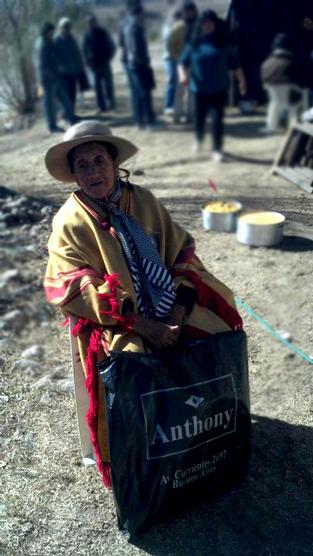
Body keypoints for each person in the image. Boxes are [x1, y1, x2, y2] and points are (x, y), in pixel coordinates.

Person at [44, 120, 243, 484]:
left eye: (99, 160)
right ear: (73, 174)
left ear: (115, 161)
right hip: (118, 320)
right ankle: (146, 464)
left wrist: (179, 310)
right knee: (132, 367)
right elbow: (68, 283)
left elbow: (182, 250)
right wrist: (142, 325)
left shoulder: (144, 201)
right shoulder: (69, 222)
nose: (93, 172)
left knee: (217, 330)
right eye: (82, 165)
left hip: (170, 307)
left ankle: (205, 435)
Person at [178, 10, 246, 161]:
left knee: (217, 120)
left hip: (219, 88)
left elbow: (235, 64)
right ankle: (198, 139)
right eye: (204, 22)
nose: (207, 25)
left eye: (210, 22)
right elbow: (182, 63)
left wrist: (242, 81)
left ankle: (217, 149)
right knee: (199, 118)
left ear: (215, 24)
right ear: (200, 24)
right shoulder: (194, 43)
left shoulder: (223, 43)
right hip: (199, 89)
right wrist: (183, 76)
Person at [34, 22, 77, 133]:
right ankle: (52, 127)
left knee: (65, 100)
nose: (53, 33)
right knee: (49, 106)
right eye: (51, 31)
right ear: (46, 31)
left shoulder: (49, 41)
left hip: (55, 78)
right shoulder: (42, 44)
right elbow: (41, 65)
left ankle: (70, 118)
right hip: (47, 80)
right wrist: (47, 78)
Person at [121, 5, 156, 129]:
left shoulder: (128, 26)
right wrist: (144, 62)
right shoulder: (135, 28)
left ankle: (139, 120)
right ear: (138, 14)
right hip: (139, 65)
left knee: (137, 94)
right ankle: (148, 122)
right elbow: (135, 49)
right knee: (143, 94)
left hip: (134, 65)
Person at [261, 33, 303, 134]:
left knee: (274, 104)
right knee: (293, 104)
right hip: (286, 83)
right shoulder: (289, 58)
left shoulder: (271, 56)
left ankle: (271, 126)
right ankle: (293, 125)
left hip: (269, 81)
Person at [83, 15, 116, 113]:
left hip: (105, 63)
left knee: (108, 86)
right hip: (94, 66)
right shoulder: (87, 35)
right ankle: (102, 107)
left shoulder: (103, 32)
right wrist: (88, 62)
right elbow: (84, 50)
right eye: (89, 22)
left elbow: (112, 46)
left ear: (96, 22)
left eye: (93, 22)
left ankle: (111, 105)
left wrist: (109, 57)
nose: (91, 24)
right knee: (98, 88)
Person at [54, 17, 84, 114]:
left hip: (73, 71)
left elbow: (77, 53)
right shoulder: (56, 40)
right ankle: (65, 114)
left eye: (68, 26)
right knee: (65, 95)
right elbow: (54, 56)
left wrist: (80, 66)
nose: (67, 29)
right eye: (65, 27)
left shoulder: (72, 39)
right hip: (62, 74)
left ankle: (72, 113)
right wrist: (59, 67)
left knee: (73, 94)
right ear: (60, 27)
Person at [162, 8, 183, 115]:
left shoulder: (176, 28)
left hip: (175, 56)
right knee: (172, 80)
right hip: (169, 57)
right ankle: (168, 105)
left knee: (176, 81)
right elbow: (168, 44)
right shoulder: (169, 28)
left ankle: (174, 105)